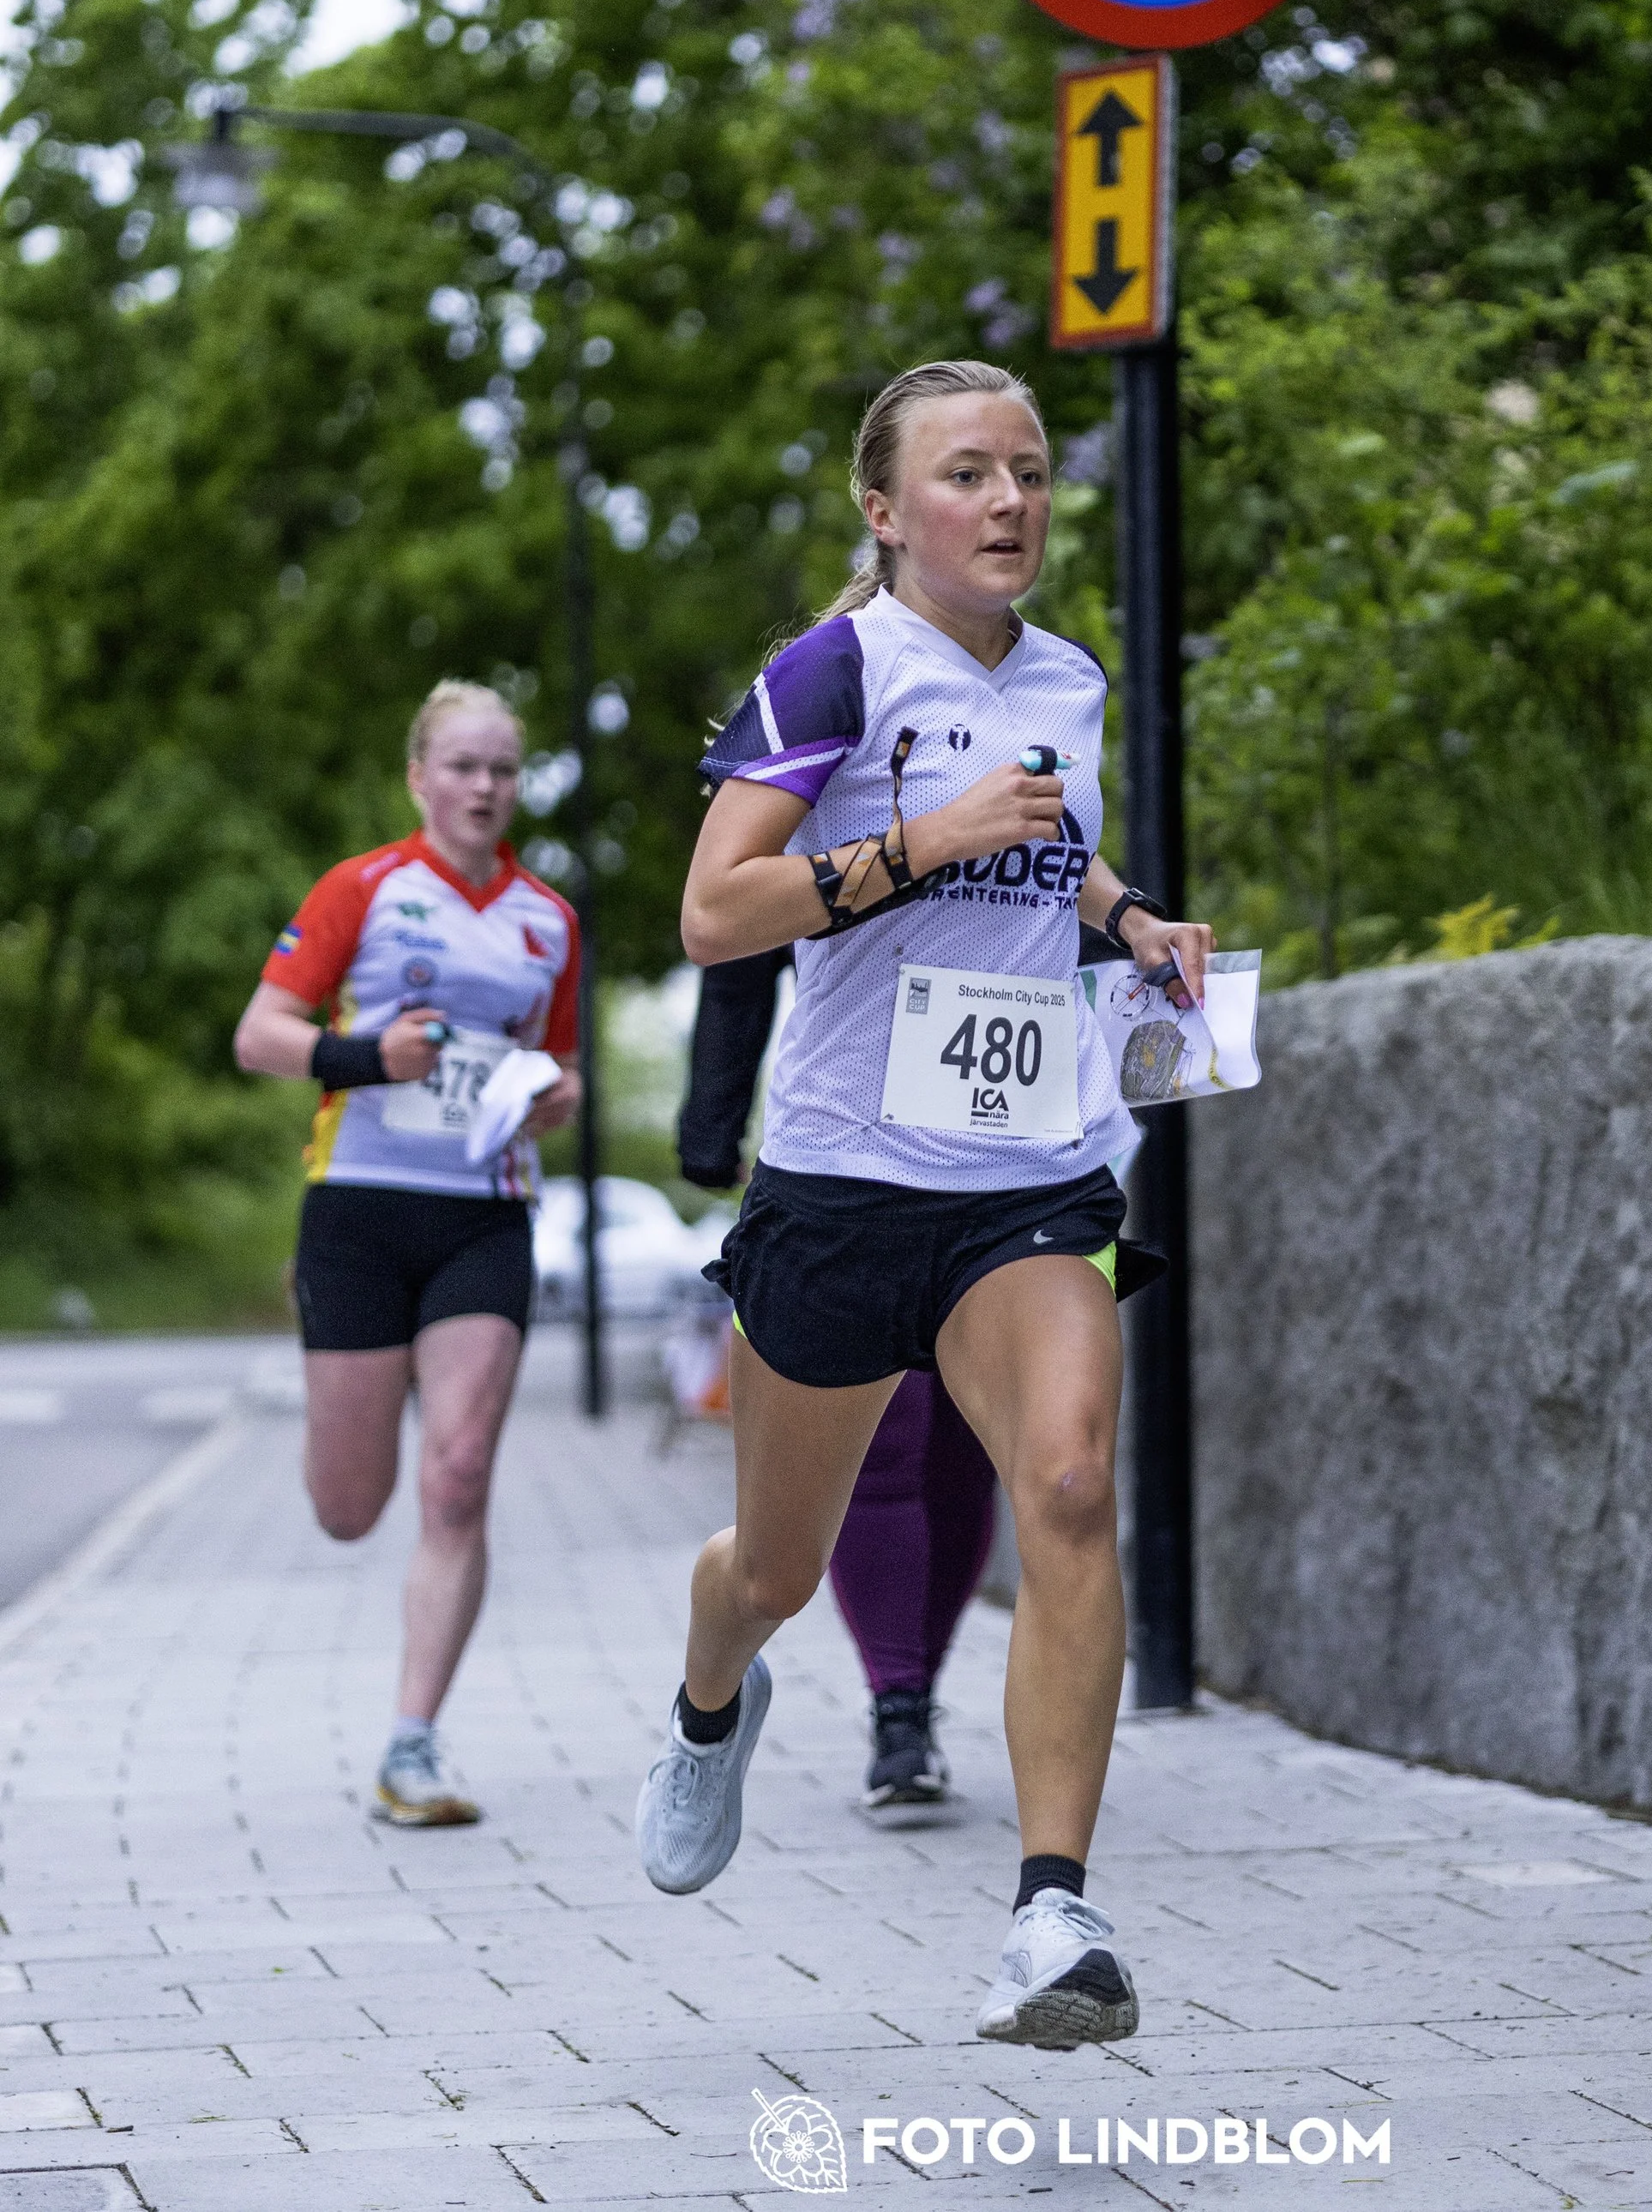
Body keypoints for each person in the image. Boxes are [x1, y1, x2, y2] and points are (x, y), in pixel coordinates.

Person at [636, 358, 1210, 2053]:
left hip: (1026, 1175)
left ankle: (1050, 1910)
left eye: (1030, 470)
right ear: (885, 509)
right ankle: (705, 1692)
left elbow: (1053, 844)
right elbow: (712, 909)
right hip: (836, 1180)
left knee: (1070, 1479)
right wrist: (919, 843)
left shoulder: (1067, 676)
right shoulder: (832, 667)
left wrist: (1131, 919)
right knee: (775, 1566)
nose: (1012, 500)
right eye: (969, 473)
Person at [234, 682, 581, 1827]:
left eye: (504, 768)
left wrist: (551, 1099)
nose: (486, 787)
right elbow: (261, 1035)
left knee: (461, 1470)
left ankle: (412, 1743)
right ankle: (346, 1434)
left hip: (485, 1211)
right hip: (359, 1210)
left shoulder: (548, 919)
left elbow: (561, 1073)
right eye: (465, 766)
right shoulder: (364, 889)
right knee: (349, 1503)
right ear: (420, 777)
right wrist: (366, 1057)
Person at [679, 948, 1000, 1815]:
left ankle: (915, 1686)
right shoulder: (811, 802)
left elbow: (1060, 905)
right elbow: (734, 928)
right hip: (853, 1156)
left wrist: (1133, 932)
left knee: (968, 1444)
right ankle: (895, 1702)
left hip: (1009, 1157)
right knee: (888, 1437)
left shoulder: (1048, 806)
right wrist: (711, 1123)